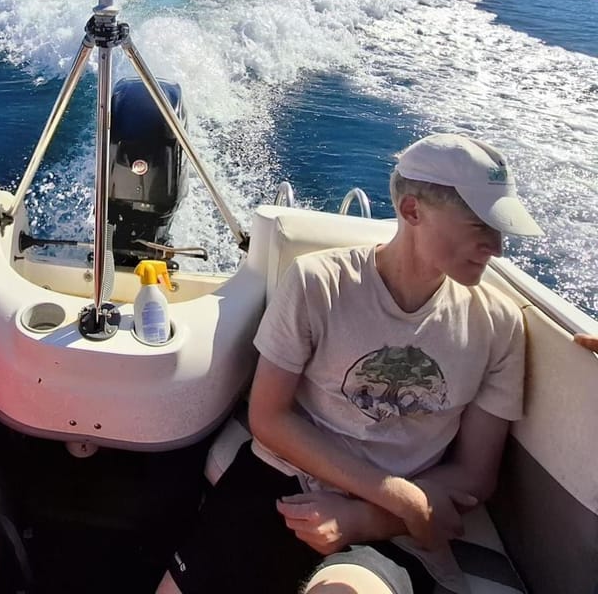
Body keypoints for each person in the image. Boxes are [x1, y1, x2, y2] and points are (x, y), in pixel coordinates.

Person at [158, 133, 542, 594]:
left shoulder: (499, 325)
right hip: (283, 481)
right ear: (412, 210)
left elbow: (475, 474)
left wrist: (368, 517)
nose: (497, 247)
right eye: (480, 226)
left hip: (393, 529)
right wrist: (397, 495)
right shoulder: (319, 283)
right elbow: (269, 417)